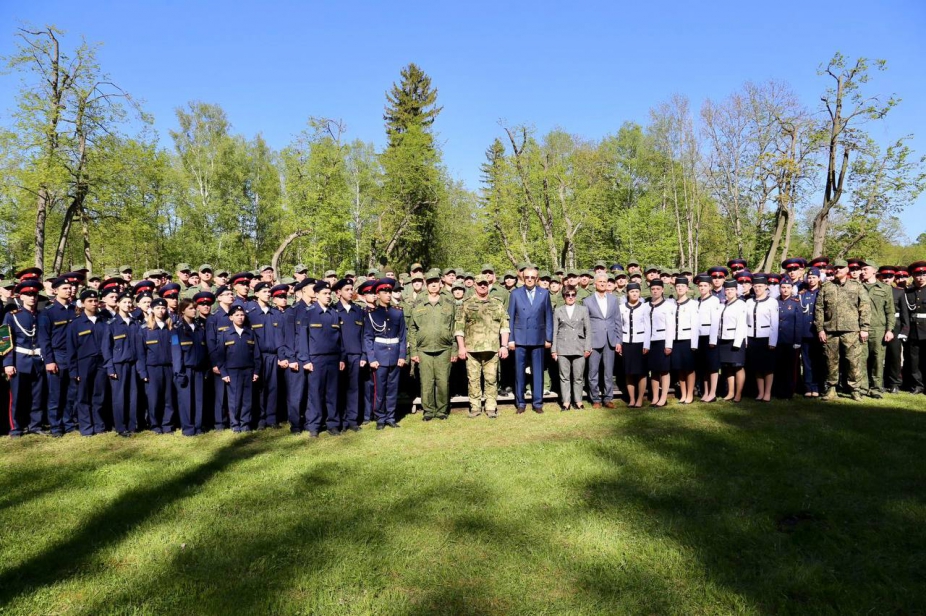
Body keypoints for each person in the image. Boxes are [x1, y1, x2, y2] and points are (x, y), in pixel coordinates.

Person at [814, 259, 871, 401]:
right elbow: (819, 309)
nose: (837, 270)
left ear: (847, 270)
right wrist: (820, 329)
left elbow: (864, 307)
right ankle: (831, 388)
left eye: (841, 268)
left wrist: (864, 328)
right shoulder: (826, 287)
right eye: (836, 268)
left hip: (851, 330)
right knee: (830, 360)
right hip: (830, 330)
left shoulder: (856, 286)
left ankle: (854, 389)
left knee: (853, 360)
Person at [455, 274, 510, 418]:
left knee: (491, 379)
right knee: (473, 379)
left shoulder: (497, 304)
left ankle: (491, 407)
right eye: (480, 284)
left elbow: (505, 326)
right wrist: (461, 347)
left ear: (489, 285)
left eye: (485, 284)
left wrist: (504, 346)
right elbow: (459, 328)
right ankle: (475, 407)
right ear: (474, 285)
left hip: (492, 348)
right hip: (471, 349)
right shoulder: (466, 304)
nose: (483, 286)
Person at [408, 269, 458, 422]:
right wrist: (414, 352)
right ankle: (428, 411)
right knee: (427, 382)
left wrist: (455, 350)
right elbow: (412, 329)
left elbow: (455, 327)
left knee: (443, 381)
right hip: (424, 349)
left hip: (445, 348)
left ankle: (442, 410)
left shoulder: (449, 303)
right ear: (426, 285)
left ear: (440, 283)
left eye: (436, 282)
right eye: (430, 283)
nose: (433, 285)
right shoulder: (418, 304)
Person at [507, 266, 553, 414]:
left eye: (532, 277)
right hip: (520, 339)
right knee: (519, 372)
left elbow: (548, 317)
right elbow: (511, 318)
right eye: (527, 277)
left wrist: (548, 337)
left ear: (537, 278)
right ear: (522, 278)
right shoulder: (515, 294)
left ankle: (537, 403)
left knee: (538, 372)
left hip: (538, 338)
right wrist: (511, 339)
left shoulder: (544, 293)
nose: (529, 280)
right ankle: (520, 402)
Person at [302, 280, 345, 437]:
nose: (328, 296)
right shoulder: (309, 312)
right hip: (315, 360)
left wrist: (341, 358)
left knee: (332, 393)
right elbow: (302, 338)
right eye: (325, 294)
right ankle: (314, 425)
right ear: (317, 295)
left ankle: (333, 424)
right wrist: (305, 360)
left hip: (333, 359)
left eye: (329, 294)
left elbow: (340, 340)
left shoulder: (334, 314)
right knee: (315, 393)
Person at [4, 280, 46, 437]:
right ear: (21, 297)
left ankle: (35, 425)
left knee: (37, 396)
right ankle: (16, 427)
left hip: (38, 360)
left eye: (34, 295)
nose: (32, 298)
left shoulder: (42, 315)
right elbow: (4, 340)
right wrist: (8, 363)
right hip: (20, 360)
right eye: (28, 295)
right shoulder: (12, 316)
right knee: (17, 397)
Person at [364, 279, 407, 429]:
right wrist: (372, 358)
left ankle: (390, 416)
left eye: (390, 292)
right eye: (385, 292)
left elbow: (403, 336)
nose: (388, 295)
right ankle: (380, 418)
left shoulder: (398, 312)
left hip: (394, 355)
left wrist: (402, 356)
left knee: (392, 388)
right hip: (379, 356)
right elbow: (368, 337)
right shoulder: (372, 314)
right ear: (377, 294)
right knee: (379, 389)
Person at [38, 277, 77, 436]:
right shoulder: (48, 312)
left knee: (70, 392)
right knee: (55, 394)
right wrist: (49, 361)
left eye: (70, 288)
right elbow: (44, 339)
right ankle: (55, 427)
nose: (68, 290)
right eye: (64, 288)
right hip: (57, 355)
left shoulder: (74, 309)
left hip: (73, 356)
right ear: (55, 291)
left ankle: (68, 424)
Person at [67, 289, 109, 436]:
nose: (93, 303)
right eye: (90, 301)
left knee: (99, 394)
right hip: (83, 363)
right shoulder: (76, 324)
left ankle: (99, 425)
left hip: (101, 363)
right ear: (83, 303)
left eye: (95, 301)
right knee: (83, 396)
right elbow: (71, 349)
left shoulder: (104, 322)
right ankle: (86, 427)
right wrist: (74, 370)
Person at [247, 281, 286, 429]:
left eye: (269, 292)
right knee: (259, 388)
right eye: (264, 292)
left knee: (273, 387)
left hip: (273, 356)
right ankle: (260, 419)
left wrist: (281, 356)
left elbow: (281, 338)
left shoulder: (276, 314)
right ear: (256, 294)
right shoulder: (251, 315)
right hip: (258, 357)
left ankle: (271, 418)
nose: (268, 294)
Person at [102, 291, 141, 437]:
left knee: (133, 395)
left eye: (130, 302)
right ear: (118, 304)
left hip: (133, 364)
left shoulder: (135, 322)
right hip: (118, 365)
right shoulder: (111, 324)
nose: (128, 304)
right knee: (119, 397)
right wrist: (110, 367)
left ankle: (132, 425)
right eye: (124, 302)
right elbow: (106, 348)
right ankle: (120, 426)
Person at [217, 304, 261, 432]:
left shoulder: (250, 333)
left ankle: (245, 424)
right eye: (237, 315)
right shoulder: (226, 334)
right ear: (231, 317)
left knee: (247, 399)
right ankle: (235, 424)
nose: (240, 317)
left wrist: (256, 371)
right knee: (234, 399)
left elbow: (256, 354)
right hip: (232, 371)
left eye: (242, 315)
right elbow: (220, 355)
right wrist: (224, 373)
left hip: (248, 370)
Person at [137, 298, 177, 433]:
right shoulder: (144, 329)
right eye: (158, 308)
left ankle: (168, 424)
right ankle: (155, 425)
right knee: (154, 399)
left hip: (169, 367)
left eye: (163, 308)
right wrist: (143, 372)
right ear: (152, 310)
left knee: (169, 398)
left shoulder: (172, 328)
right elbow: (140, 353)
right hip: (152, 369)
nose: (161, 310)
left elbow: (176, 348)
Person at [172, 298, 210, 436]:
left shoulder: (200, 327)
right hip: (185, 369)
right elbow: (176, 352)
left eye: (195, 308)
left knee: (199, 399)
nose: (194, 310)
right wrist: (179, 372)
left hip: (199, 369)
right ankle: (188, 428)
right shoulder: (176, 330)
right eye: (191, 308)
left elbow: (204, 349)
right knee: (186, 400)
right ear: (183, 311)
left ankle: (198, 426)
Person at [583, 273, 622, 409]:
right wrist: (587, 344)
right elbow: (585, 324)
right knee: (593, 371)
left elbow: (617, 320)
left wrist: (618, 340)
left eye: (604, 282)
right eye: (600, 282)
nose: (602, 284)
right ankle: (595, 399)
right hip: (594, 340)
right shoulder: (587, 301)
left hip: (610, 339)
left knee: (608, 371)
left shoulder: (613, 300)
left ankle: (608, 398)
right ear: (595, 284)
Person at [859, 260, 895, 399]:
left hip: (878, 329)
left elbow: (890, 311)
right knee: (861, 359)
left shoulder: (885, 288)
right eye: (862, 269)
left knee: (878, 359)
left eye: (865, 269)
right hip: (861, 328)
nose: (863, 271)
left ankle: (876, 388)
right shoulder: (858, 287)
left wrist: (889, 329)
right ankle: (862, 387)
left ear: (874, 270)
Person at [552, 285, 591, 410]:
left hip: (579, 346)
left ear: (576, 295)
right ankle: (566, 402)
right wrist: (554, 350)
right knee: (564, 376)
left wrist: (587, 347)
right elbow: (554, 332)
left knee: (578, 376)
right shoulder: (558, 310)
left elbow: (588, 330)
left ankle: (578, 401)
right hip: (562, 347)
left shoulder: (583, 310)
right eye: (567, 295)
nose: (570, 297)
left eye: (573, 294)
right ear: (563, 296)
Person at [333, 279, 364, 432]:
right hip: (339, 357)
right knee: (339, 388)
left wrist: (363, 355)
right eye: (347, 289)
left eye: (352, 289)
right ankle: (341, 420)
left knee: (354, 388)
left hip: (356, 355)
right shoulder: (333, 311)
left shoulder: (358, 311)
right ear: (338, 292)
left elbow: (364, 335)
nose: (351, 292)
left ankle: (352, 420)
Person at [745, 275, 779, 402]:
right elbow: (745, 322)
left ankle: (767, 392)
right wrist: (746, 340)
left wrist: (773, 341)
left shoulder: (772, 302)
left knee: (768, 367)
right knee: (757, 367)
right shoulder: (749, 302)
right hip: (752, 338)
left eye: (760, 286)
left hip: (766, 338)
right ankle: (760, 392)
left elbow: (774, 324)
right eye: (755, 286)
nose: (757, 289)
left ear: (766, 287)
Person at [618, 282, 650, 407]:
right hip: (627, 343)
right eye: (632, 291)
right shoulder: (622, 308)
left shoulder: (645, 307)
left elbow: (648, 327)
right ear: (627, 293)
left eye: (636, 291)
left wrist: (646, 345)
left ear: (640, 293)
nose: (634, 294)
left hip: (640, 343)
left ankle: (640, 398)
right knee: (629, 372)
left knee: (641, 372)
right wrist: (620, 343)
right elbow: (619, 327)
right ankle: (631, 399)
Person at [880, 265, 909, 394]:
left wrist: (905, 329)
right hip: (878, 325)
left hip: (895, 326)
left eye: (890, 277)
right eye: (884, 276)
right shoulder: (875, 290)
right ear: (880, 277)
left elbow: (904, 313)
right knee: (878, 355)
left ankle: (894, 383)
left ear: (893, 278)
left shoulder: (899, 292)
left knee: (894, 355)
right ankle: (880, 381)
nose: (887, 279)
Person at [647, 280, 675, 407]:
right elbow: (646, 327)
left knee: (664, 370)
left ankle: (663, 398)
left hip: (663, 340)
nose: (655, 291)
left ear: (663, 290)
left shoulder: (668, 306)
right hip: (651, 341)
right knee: (654, 371)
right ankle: (655, 397)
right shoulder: (647, 306)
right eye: (653, 289)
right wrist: (646, 345)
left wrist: (668, 345)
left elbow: (670, 326)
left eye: (658, 289)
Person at [718, 281, 747, 402]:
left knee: (738, 367)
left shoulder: (740, 304)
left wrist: (737, 342)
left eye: (731, 289)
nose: (729, 292)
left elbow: (741, 324)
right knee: (728, 367)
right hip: (724, 339)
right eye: (727, 290)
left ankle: (738, 394)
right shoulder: (724, 303)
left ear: (736, 290)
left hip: (735, 339)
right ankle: (730, 392)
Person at [672, 277, 699, 404]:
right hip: (676, 340)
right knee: (679, 369)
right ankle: (683, 394)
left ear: (687, 289)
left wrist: (694, 344)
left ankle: (690, 394)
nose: (680, 288)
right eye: (678, 286)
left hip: (688, 340)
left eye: (682, 286)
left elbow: (695, 325)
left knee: (689, 368)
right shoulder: (671, 304)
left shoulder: (693, 304)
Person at [774, 279, 803, 399]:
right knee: (778, 366)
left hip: (790, 341)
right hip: (776, 340)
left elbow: (798, 323)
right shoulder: (775, 302)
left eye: (788, 287)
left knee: (790, 367)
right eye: (783, 287)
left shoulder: (796, 302)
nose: (785, 290)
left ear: (792, 289)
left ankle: (789, 391)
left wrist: (797, 341)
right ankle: (777, 391)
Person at [695, 275, 721, 403]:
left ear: (710, 287)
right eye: (700, 286)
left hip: (710, 336)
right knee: (703, 366)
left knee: (712, 366)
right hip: (699, 337)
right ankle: (705, 392)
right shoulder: (697, 300)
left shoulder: (714, 301)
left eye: (705, 285)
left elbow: (715, 321)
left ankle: (713, 393)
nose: (702, 288)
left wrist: (712, 340)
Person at [798, 268, 824, 397]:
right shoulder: (802, 294)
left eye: (814, 277)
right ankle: (808, 386)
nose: (811, 280)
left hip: (817, 333)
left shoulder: (822, 293)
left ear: (819, 278)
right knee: (806, 361)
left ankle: (817, 386)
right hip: (805, 333)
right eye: (809, 277)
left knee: (818, 361)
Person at [904, 261, 926, 394]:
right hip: (913, 331)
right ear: (913, 276)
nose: (921, 277)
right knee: (914, 360)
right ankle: (918, 385)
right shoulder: (908, 292)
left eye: (924, 274)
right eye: (918, 274)